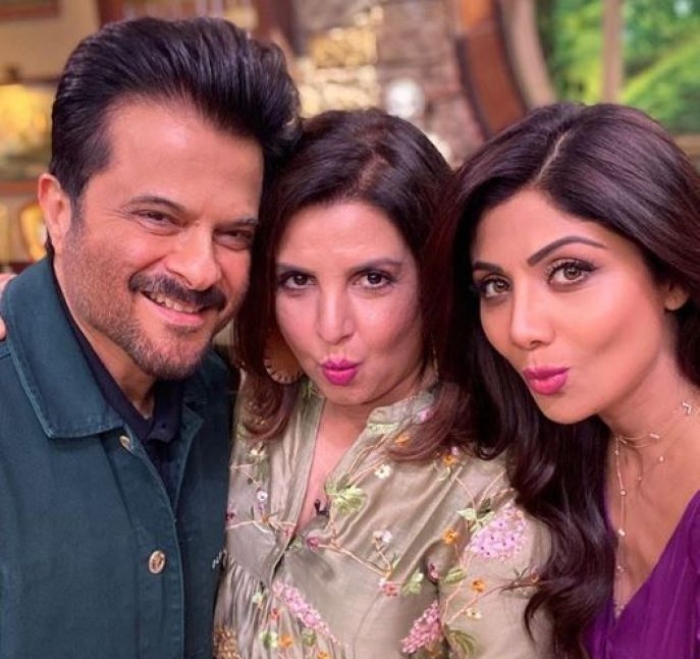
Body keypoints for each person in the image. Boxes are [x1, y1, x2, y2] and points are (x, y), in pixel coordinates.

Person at [0, 16, 299, 659]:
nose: (201, 270)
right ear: (58, 211)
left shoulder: (244, 406)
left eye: (235, 234)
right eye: (159, 217)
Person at [211, 108, 552, 659]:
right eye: (297, 280)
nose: (330, 327)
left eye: (372, 279)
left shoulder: (489, 495)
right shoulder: (254, 399)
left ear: (435, 280)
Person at [425, 101, 700, 658]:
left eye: (570, 271)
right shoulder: (562, 457)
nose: (521, 328)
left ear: (671, 277)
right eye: (495, 286)